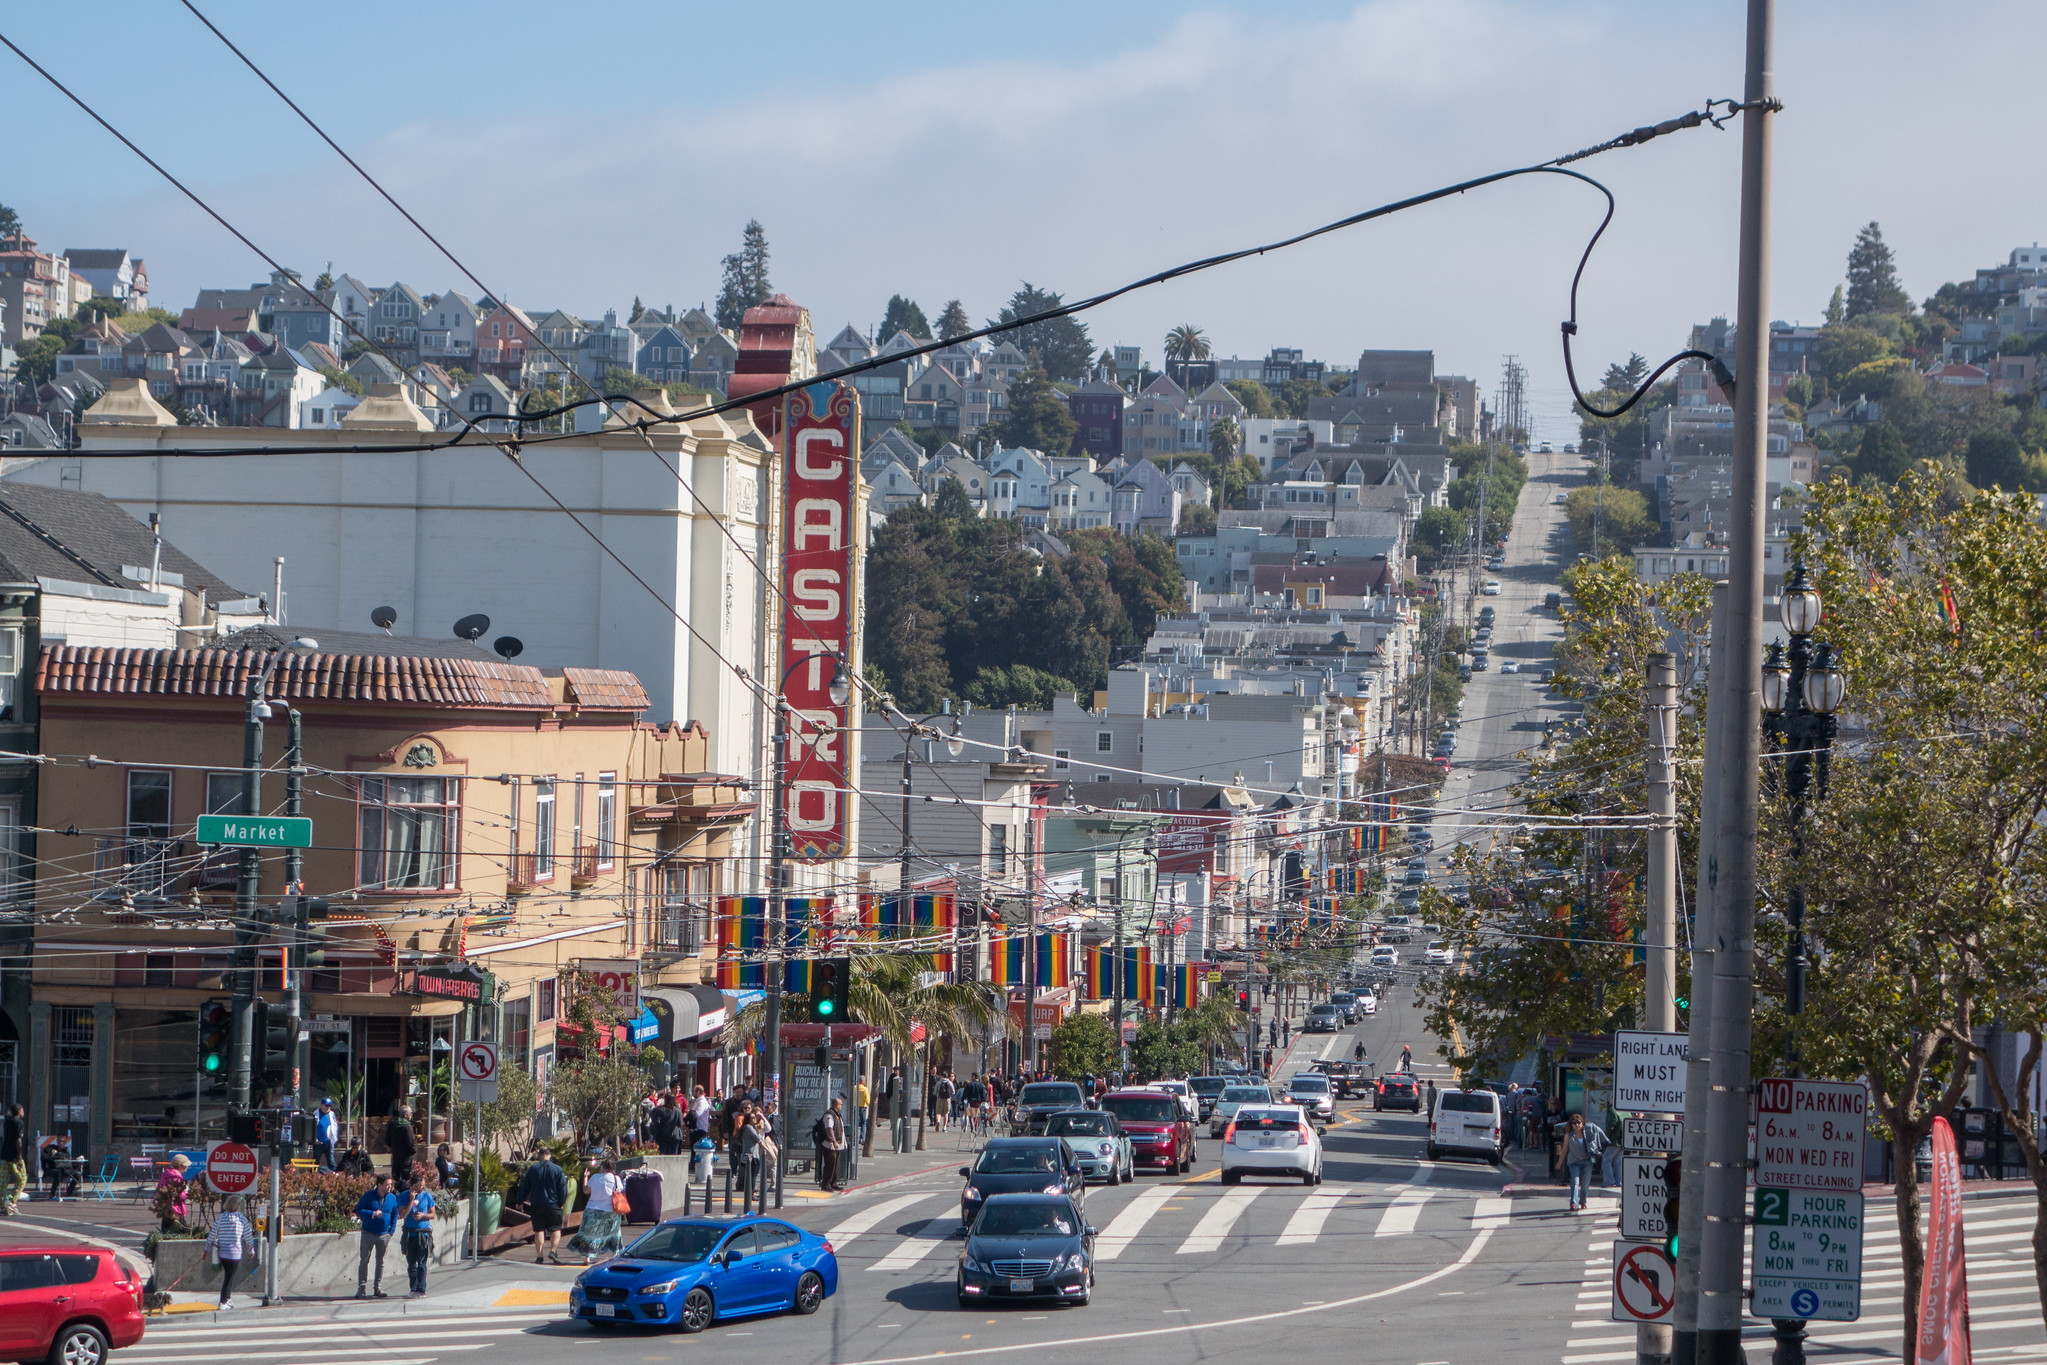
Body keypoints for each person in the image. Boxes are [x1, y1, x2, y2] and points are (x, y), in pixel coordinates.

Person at [513, 1146, 569, 1264]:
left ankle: (539, 1256)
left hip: (537, 1204)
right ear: (550, 1155)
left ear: (539, 1156)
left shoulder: (533, 1169)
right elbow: (563, 1188)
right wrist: (561, 1202)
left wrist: (519, 1201)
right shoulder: (558, 1169)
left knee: (539, 1230)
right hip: (554, 1204)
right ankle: (553, 1251)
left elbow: (525, 1186)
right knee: (555, 1229)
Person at [205, 1194, 257, 1309]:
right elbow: (248, 1236)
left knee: (229, 1276)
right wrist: (251, 1250)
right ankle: (223, 1301)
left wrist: (206, 1248)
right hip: (234, 1254)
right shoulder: (241, 1219)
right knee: (229, 1278)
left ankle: (228, 1299)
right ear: (238, 1206)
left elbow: (212, 1234)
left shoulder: (220, 1218)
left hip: (222, 1253)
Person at [354, 1173, 400, 1298]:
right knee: (364, 1260)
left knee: (380, 1262)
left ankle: (377, 1288)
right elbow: (358, 1210)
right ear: (379, 1185)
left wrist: (391, 1231)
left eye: (391, 1184)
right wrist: (372, 1213)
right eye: (387, 1185)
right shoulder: (369, 1196)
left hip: (384, 1235)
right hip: (368, 1233)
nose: (390, 1187)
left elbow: (395, 1214)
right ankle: (361, 1288)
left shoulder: (392, 1198)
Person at [571, 1160, 622, 1263]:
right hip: (610, 1210)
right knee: (614, 1232)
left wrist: (585, 1178)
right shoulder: (616, 1179)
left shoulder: (594, 1177)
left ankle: (588, 1257)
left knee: (590, 1234)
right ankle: (615, 1253)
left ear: (603, 1167)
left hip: (592, 1209)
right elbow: (620, 1191)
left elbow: (586, 1191)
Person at [399, 1173, 435, 1296]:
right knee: (411, 1264)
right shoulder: (403, 1196)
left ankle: (421, 1289)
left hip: (423, 1234)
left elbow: (433, 1214)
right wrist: (411, 1200)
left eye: (423, 1186)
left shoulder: (427, 1196)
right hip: (410, 1233)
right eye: (420, 1186)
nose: (422, 1188)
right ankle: (413, 1288)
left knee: (421, 1263)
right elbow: (403, 1215)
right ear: (413, 1185)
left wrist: (423, 1216)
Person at [1562, 1111, 1606, 1213]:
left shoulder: (1588, 1133)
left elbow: (1598, 1136)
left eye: (1579, 1122)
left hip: (1587, 1161)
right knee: (1575, 1181)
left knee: (1585, 1184)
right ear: (1571, 1125)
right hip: (1574, 1162)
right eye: (1574, 1123)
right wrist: (1559, 1162)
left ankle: (1583, 1201)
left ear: (1582, 1123)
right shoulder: (1569, 1136)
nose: (1577, 1125)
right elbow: (1564, 1149)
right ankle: (1573, 1203)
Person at [816, 1098, 847, 1191]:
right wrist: (834, 1141)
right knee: (830, 1164)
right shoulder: (829, 1115)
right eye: (841, 1104)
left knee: (836, 1165)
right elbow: (829, 1129)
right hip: (830, 1145)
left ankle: (834, 1182)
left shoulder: (837, 1115)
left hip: (838, 1144)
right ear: (837, 1105)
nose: (841, 1106)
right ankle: (826, 1184)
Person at [155, 1154, 191, 1231]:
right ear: (180, 1165)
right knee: (179, 1230)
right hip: (176, 1208)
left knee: (166, 1229)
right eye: (185, 1165)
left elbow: (159, 1188)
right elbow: (179, 1195)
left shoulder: (165, 1174)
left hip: (166, 1207)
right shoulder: (176, 1177)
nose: (187, 1167)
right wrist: (188, 1193)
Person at [0, 1103, 24, 1215]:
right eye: (22, 1110)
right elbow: (18, 1141)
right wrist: (19, 1157)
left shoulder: (7, 1122)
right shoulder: (19, 1123)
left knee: (3, 1182)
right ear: (19, 1111)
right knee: (22, 1179)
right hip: (14, 1157)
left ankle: (1, 1205)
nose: (23, 1112)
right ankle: (12, 1202)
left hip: (4, 1155)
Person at [386, 1106, 417, 1186]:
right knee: (405, 1178)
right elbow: (410, 1142)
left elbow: (387, 1140)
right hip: (406, 1156)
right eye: (411, 1113)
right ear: (406, 1114)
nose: (411, 1115)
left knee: (396, 1177)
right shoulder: (407, 1126)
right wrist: (413, 1151)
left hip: (395, 1154)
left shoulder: (392, 1124)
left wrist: (394, 1147)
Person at [314, 1098, 339, 1171]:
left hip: (328, 1142)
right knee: (316, 1161)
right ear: (321, 1105)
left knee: (331, 1161)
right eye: (326, 1105)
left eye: (329, 1106)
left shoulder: (332, 1114)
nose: (328, 1108)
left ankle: (334, 1176)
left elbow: (334, 1127)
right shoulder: (315, 1114)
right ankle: (312, 1176)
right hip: (318, 1143)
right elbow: (311, 1128)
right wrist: (314, 1140)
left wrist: (333, 1140)